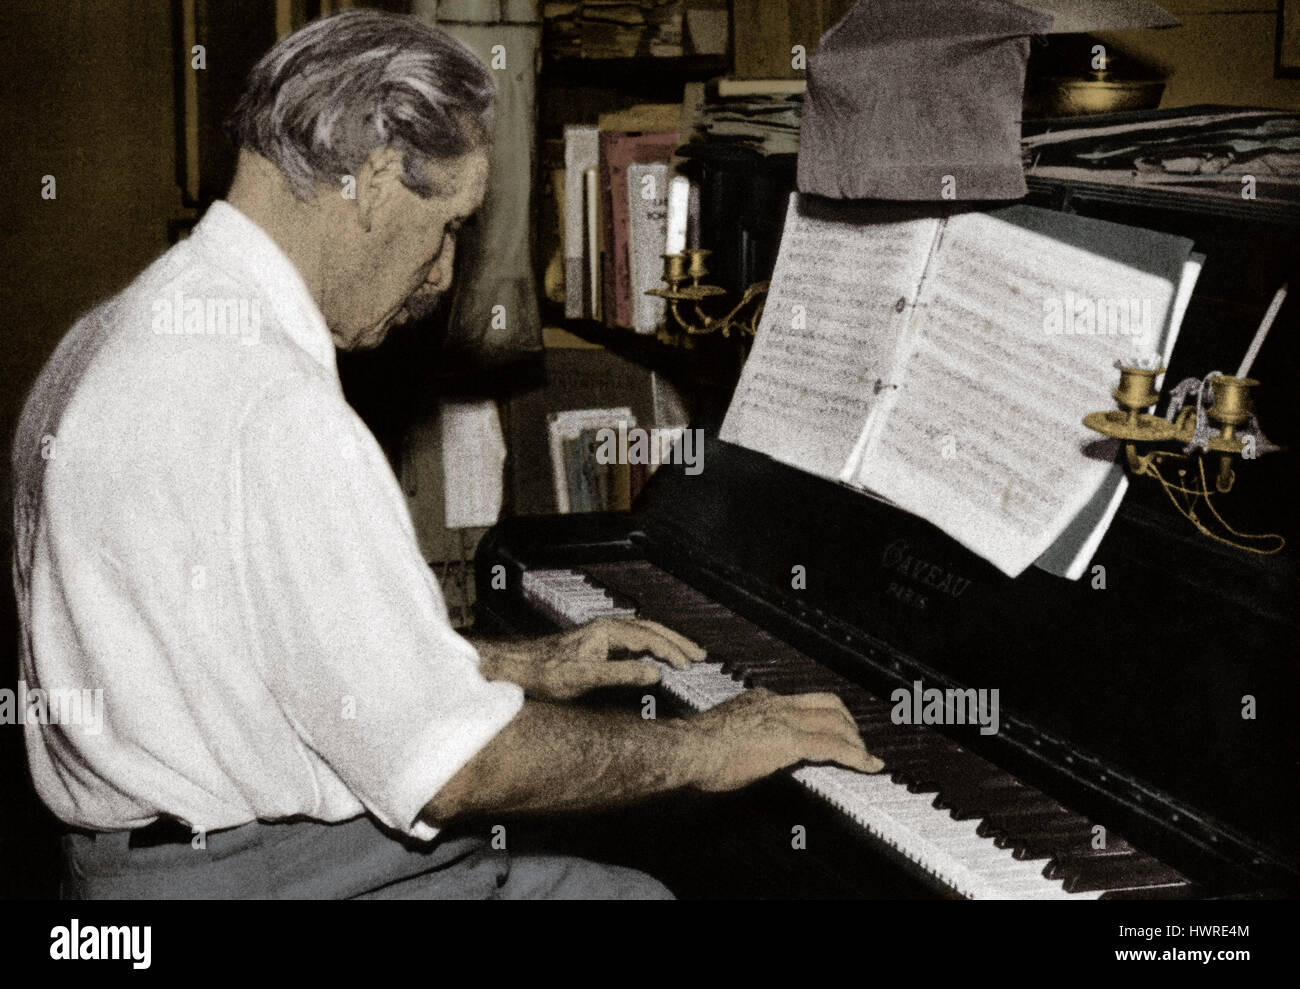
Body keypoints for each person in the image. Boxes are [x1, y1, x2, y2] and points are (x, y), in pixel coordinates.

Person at [10, 9, 879, 900]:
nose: (440, 277)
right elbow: (453, 770)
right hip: (256, 874)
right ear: (379, 178)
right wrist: (710, 746)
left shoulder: (115, 332)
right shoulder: (275, 408)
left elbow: (271, 653)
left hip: (132, 865)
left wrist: (517, 665)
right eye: (451, 225)